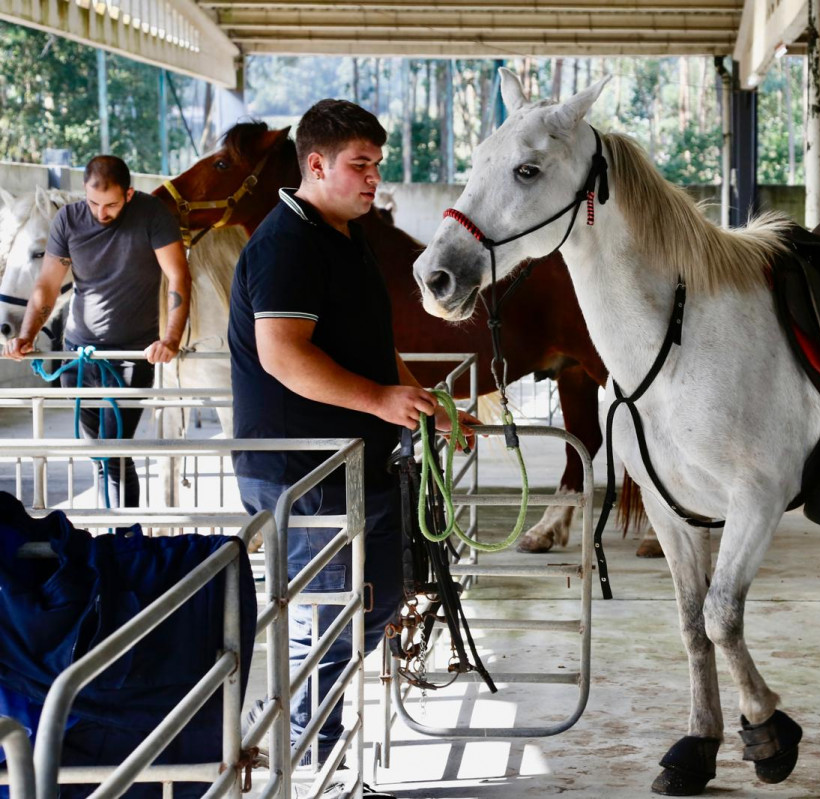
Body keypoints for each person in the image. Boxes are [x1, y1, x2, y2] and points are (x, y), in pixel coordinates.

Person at [227, 98, 476, 769]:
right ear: (315, 164)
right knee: (330, 615)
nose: (373, 177)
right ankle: (300, 751)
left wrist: (426, 405)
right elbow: (282, 353)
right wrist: (378, 399)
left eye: (376, 164)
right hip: (298, 466)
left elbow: (371, 347)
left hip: (350, 458)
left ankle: (296, 732)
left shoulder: (344, 236)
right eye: (359, 164)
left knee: (375, 598)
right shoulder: (286, 244)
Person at [3, 155, 189, 507]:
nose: (101, 213)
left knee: (115, 454)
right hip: (77, 354)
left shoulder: (153, 215)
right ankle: (112, 540)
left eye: (111, 205)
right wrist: (28, 334)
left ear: (129, 194)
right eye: (93, 203)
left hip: (130, 355)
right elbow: (46, 284)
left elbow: (178, 276)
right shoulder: (68, 220)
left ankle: (125, 539)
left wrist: (171, 339)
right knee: (99, 457)